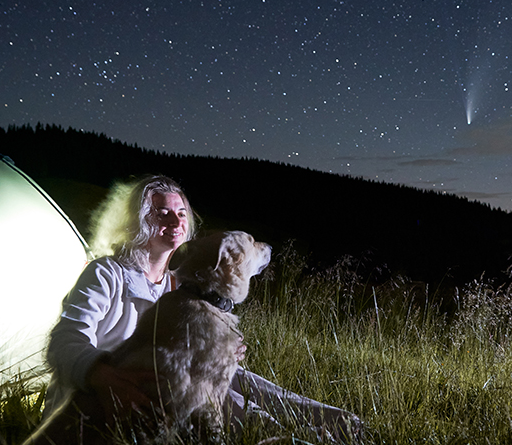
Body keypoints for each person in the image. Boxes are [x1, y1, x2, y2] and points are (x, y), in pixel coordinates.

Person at [44, 175, 360, 440]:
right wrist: (105, 377)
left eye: (181, 213)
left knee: (246, 380)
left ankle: (348, 427)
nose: (175, 221)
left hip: (176, 384)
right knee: (227, 398)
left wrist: (222, 351)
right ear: (137, 220)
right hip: (112, 396)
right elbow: (63, 340)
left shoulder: (183, 284)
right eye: (161, 213)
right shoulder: (106, 273)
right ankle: (303, 439)